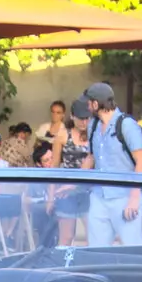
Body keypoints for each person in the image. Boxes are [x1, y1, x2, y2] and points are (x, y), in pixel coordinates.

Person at [82, 81, 142, 247]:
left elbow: (141, 161)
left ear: (96, 104)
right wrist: (72, 182)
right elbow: (91, 158)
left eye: (89, 103)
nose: (87, 106)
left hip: (124, 197)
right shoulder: (93, 126)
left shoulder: (126, 125)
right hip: (99, 196)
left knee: (132, 250)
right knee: (96, 251)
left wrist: (134, 199)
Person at [48, 98, 94, 247]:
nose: (84, 122)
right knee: (66, 237)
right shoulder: (62, 136)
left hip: (88, 191)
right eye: (80, 118)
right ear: (73, 116)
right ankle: (63, 267)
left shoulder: (94, 136)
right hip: (65, 191)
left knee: (93, 235)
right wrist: (50, 196)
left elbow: (92, 160)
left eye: (87, 118)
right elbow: (54, 167)